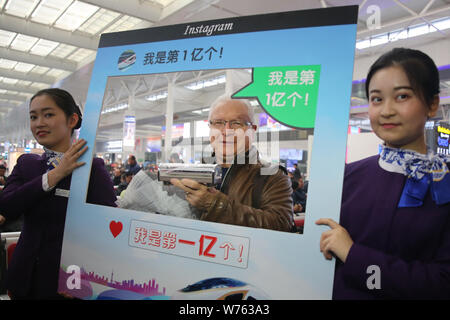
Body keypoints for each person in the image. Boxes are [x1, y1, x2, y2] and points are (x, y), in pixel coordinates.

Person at [316, 48, 450, 299]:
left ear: (432, 104)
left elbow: (442, 284)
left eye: (402, 96)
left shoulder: (445, 184)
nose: (386, 110)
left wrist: (353, 255)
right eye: (377, 99)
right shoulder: (346, 177)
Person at [0, 88, 117, 299]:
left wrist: (86, 278)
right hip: (24, 278)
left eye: (48, 114)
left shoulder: (92, 168)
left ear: (72, 120)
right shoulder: (27, 164)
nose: (39, 123)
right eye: (33, 117)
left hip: (67, 282)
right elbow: (7, 205)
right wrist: (55, 175)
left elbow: (106, 228)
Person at [170, 95, 294, 232]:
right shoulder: (195, 172)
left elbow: (281, 224)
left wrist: (215, 204)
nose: (226, 131)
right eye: (218, 122)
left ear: (252, 130)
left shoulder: (272, 176)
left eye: (236, 123)